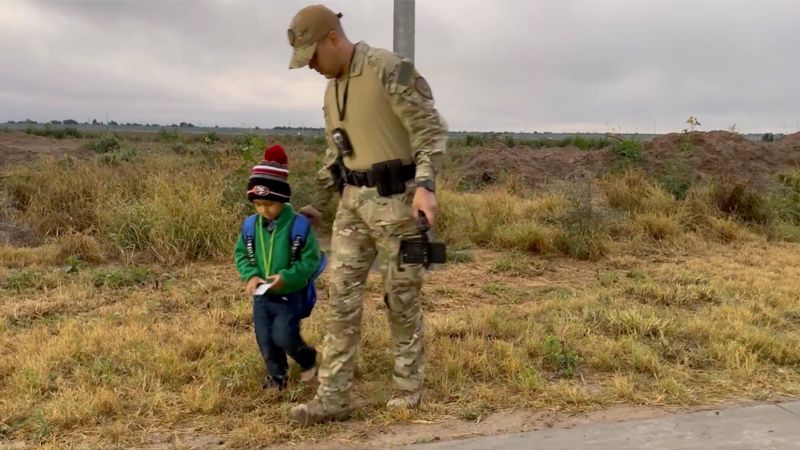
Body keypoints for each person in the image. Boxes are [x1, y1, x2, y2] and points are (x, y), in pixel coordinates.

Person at [284, 4, 449, 425]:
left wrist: (427, 187)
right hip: (352, 205)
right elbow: (334, 152)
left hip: (399, 205)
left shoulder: (388, 69)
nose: (312, 68)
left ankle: (408, 387)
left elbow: (429, 132)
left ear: (333, 39)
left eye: (313, 57)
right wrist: (318, 204)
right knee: (341, 299)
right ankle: (334, 398)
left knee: (401, 299)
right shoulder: (330, 89)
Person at [234, 144, 322, 391]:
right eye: (258, 204)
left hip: (289, 294)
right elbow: (241, 255)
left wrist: (287, 277)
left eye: (270, 204)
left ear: (283, 199)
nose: (264, 210)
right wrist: (250, 276)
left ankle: (307, 357)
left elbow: (310, 261)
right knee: (265, 339)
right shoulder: (251, 226)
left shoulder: (299, 227)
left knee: (284, 336)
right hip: (262, 297)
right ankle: (277, 377)